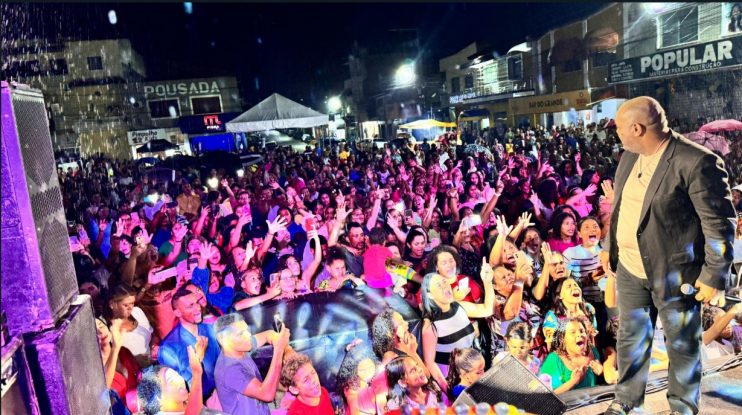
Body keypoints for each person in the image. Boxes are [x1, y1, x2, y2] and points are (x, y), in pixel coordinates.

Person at [602, 97, 736, 415]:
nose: (617, 134)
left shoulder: (696, 161)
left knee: (682, 342)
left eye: (620, 128)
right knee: (630, 338)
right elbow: (622, 206)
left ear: (637, 128)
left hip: (674, 271)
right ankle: (627, 401)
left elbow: (719, 223)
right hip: (632, 269)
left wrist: (714, 274)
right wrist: (610, 247)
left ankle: (682, 406)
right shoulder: (629, 157)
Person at [420, 259, 495, 391]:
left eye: (444, 281)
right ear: (430, 295)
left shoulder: (459, 306)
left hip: (475, 374)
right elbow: (430, 363)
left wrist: (487, 282)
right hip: (455, 383)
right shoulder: (430, 324)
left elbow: (488, 310)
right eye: (438, 285)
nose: (444, 286)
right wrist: (448, 390)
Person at [213, 313, 292, 415]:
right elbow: (267, 394)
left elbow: (269, 335)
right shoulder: (230, 370)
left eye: (247, 330)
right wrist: (279, 349)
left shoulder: (240, 347)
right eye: (241, 333)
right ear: (223, 340)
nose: (248, 335)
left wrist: (288, 348)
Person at [158, 286, 221, 402]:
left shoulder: (210, 329)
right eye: (190, 306)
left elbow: (221, 363)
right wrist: (197, 360)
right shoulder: (168, 348)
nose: (197, 308)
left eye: (197, 302)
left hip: (223, 394)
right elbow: (177, 392)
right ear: (178, 312)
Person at [136, 337, 206, 415]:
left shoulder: (185, 402)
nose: (180, 379)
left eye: (177, 374)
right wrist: (197, 375)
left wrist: (197, 360)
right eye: (170, 380)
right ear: (159, 400)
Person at [538, 317, 602, 394]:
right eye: (573, 332)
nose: (579, 335)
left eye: (582, 331)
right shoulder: (553, 360)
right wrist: (573, 381)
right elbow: (545, 397)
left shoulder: (593, 351)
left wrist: (602, 371)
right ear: (563, 338)